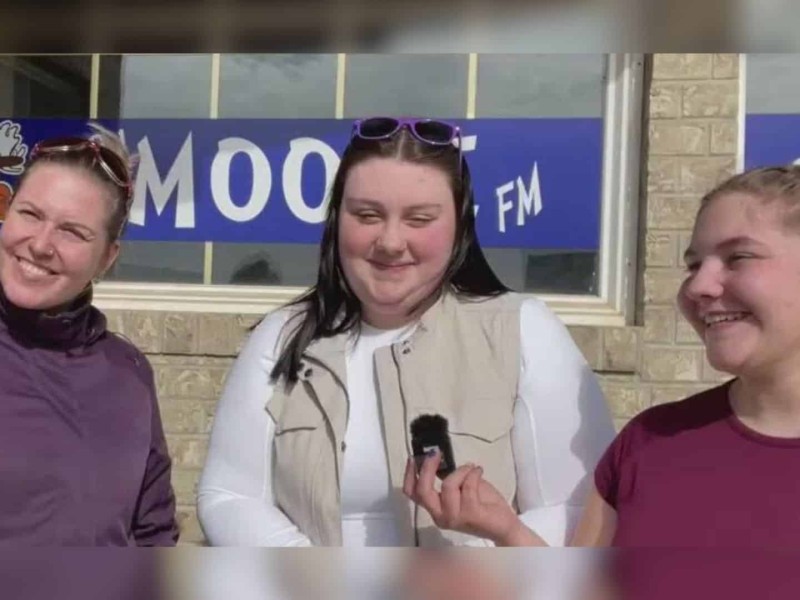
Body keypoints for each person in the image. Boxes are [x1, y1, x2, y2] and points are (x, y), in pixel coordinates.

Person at [197, 116, 615, 547]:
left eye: (419, 219)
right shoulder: (283, 337)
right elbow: (230, 496)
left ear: (460, 228)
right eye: (367, 215)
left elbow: (578, 508)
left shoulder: (523, 331)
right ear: (337, 219)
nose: (391, 241)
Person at [405, 165, 800, 548]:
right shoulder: (649, 444)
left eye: (739, 258)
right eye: (693, 264)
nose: (699, 285)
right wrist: (506, 531)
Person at [0, 123, 179, 546]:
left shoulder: (128, 372)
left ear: (107, 257)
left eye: (73, 232)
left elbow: (154, 530)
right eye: (30, 214)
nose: (41, 244)